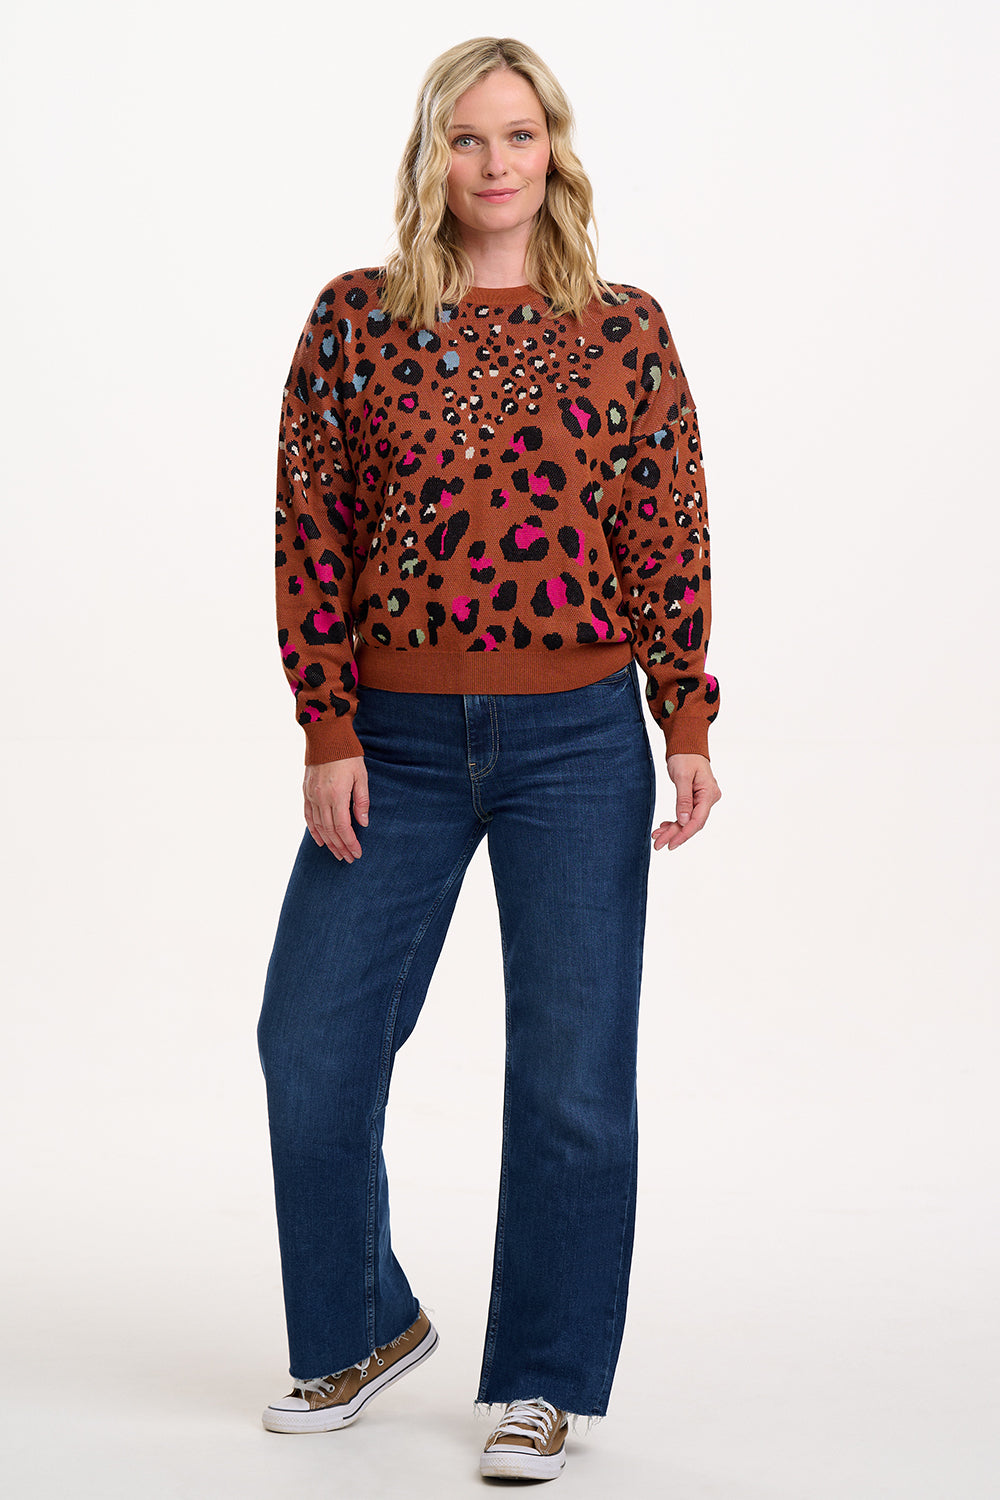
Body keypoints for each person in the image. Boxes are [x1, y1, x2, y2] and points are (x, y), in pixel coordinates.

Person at [256, 34, 722, 1484]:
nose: (496, 162)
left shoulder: (622, 328)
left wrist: (685, 716)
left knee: (573, 1073)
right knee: (309, 1039)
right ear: (431, 156)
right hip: (389, 742)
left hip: (577, 739)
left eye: (519, 135)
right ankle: (362, 1325)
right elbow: (311, 528)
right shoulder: (356, 318)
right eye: (467, 138)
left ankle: (542, 1381)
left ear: (555, 150)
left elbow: (667, 522)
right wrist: (328, 724)